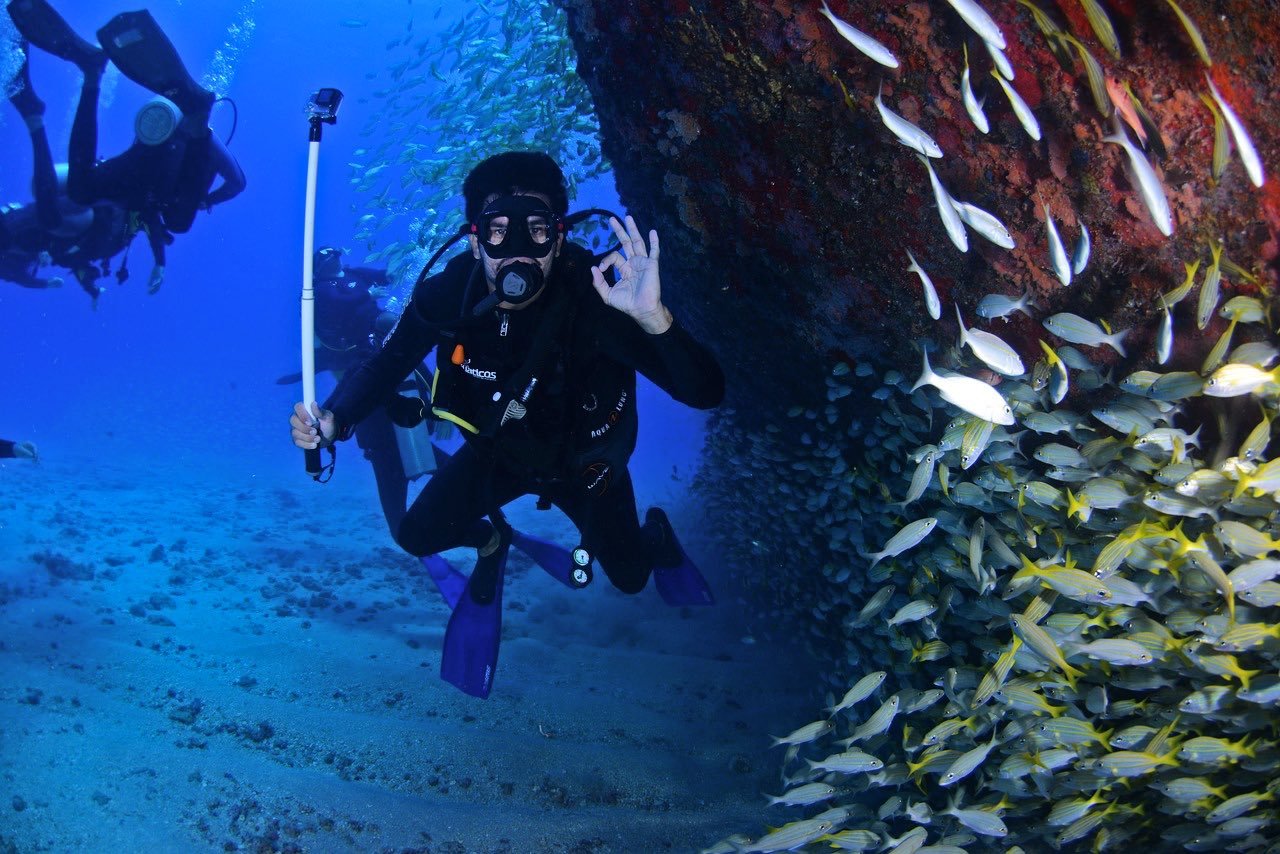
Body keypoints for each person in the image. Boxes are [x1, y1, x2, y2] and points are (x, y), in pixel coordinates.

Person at [289, 151, 725, 697]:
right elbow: (387, 363)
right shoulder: (452, 292)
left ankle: (654, 534)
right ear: (474, 241)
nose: (517, 252)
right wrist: (336, 419)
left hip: (586, 466)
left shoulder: (597, 297)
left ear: (559, 239)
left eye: (537, 230)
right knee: (415, 533)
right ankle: (493, 539)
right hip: (500, 454)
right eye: (498, 232)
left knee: (632, 578)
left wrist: (653, 318)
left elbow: (706, 392)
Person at [5, 0, 246, 295]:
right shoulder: (206, 143)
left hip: (140, 181)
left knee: (86, 191)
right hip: (145, 183)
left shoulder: (205, 143)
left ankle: (92, 73)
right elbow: (237, 182)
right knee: (175, 219)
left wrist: (206, 201)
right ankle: (93, 73)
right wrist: (208, 200)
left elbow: (235, 183)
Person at [278, 246, 436, 538]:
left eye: (334, 256)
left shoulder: (353, 276)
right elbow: (346, 301)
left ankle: (481, 522)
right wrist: (323, 432)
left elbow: (386, 276)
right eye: (324, 259)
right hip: (358, 365)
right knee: (383, 448)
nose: (332, 261)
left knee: (421, 450)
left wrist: (415, 261)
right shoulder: (322, 290)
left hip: (392, 373)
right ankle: (410, 529)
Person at [1, 47, 141, 301]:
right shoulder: (9, 264)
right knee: (51, 213)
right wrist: (75, 286)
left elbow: (30, 274)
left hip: (64, 215)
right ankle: (34, 113)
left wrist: (53, 283)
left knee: (48, 205)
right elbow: (69, 265)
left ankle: (33, 113)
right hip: (72, 222)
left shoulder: (9, 253)